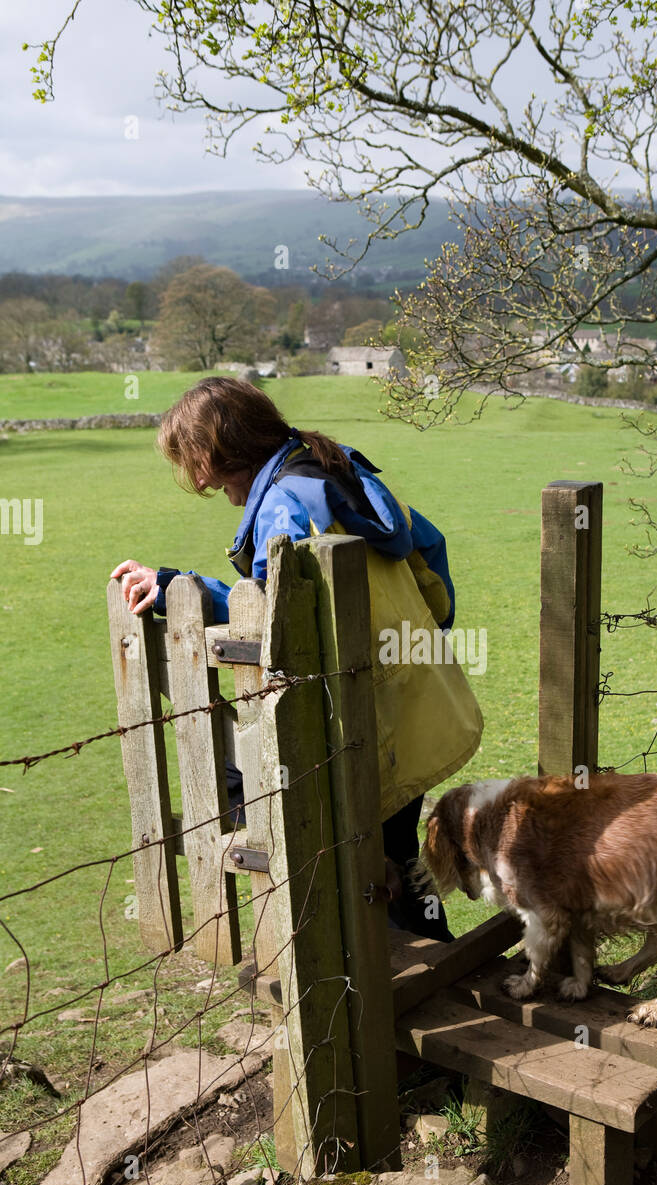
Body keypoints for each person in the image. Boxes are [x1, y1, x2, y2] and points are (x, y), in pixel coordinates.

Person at [111, 375, 483, 941]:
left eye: (193, 462)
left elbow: (272, 621)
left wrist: (172, 587)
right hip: (413, 698)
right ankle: (433, 960)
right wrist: (422, 637)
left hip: (358, 719)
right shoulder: (340, 469)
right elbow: (429, 549)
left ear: (216, 450)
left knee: (257, 795)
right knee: (398, 854)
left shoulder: (284, 504)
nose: (198, 481)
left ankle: (376, 973)